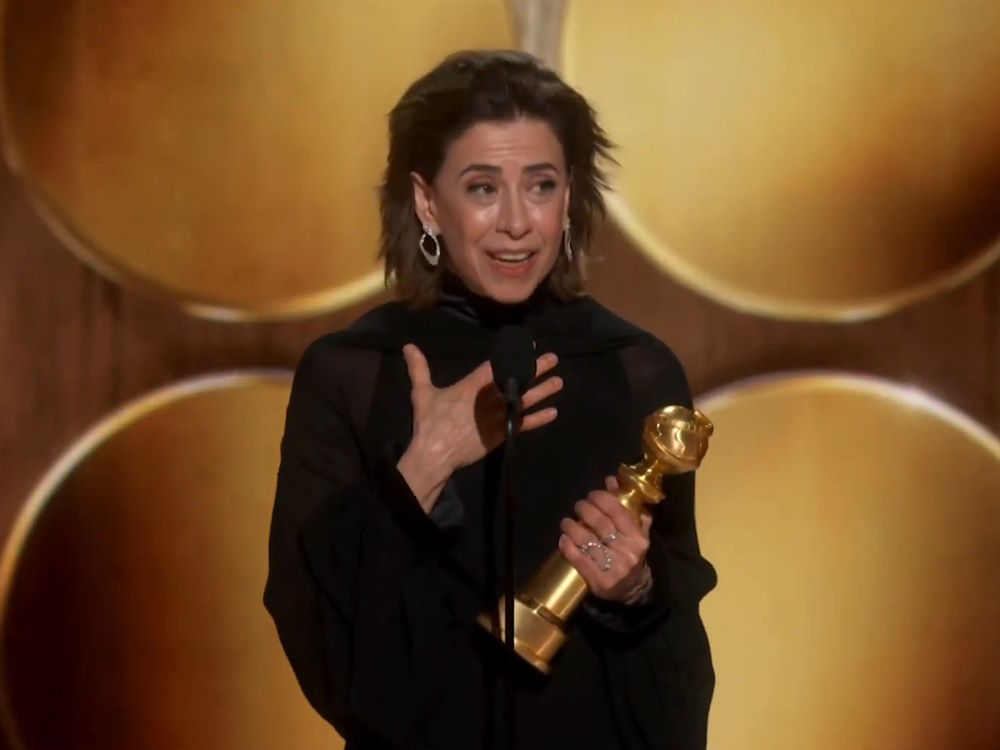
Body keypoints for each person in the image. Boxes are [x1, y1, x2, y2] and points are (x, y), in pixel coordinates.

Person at [264, 49, 716, 750]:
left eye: (541, 186)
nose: (516, 222)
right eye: (482, 188)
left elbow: (679, 684)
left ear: (569, 195)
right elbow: (320, 643)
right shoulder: (352, 374)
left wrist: (636, 593)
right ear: (426, 202)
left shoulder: (636, 371)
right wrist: (423, 470)